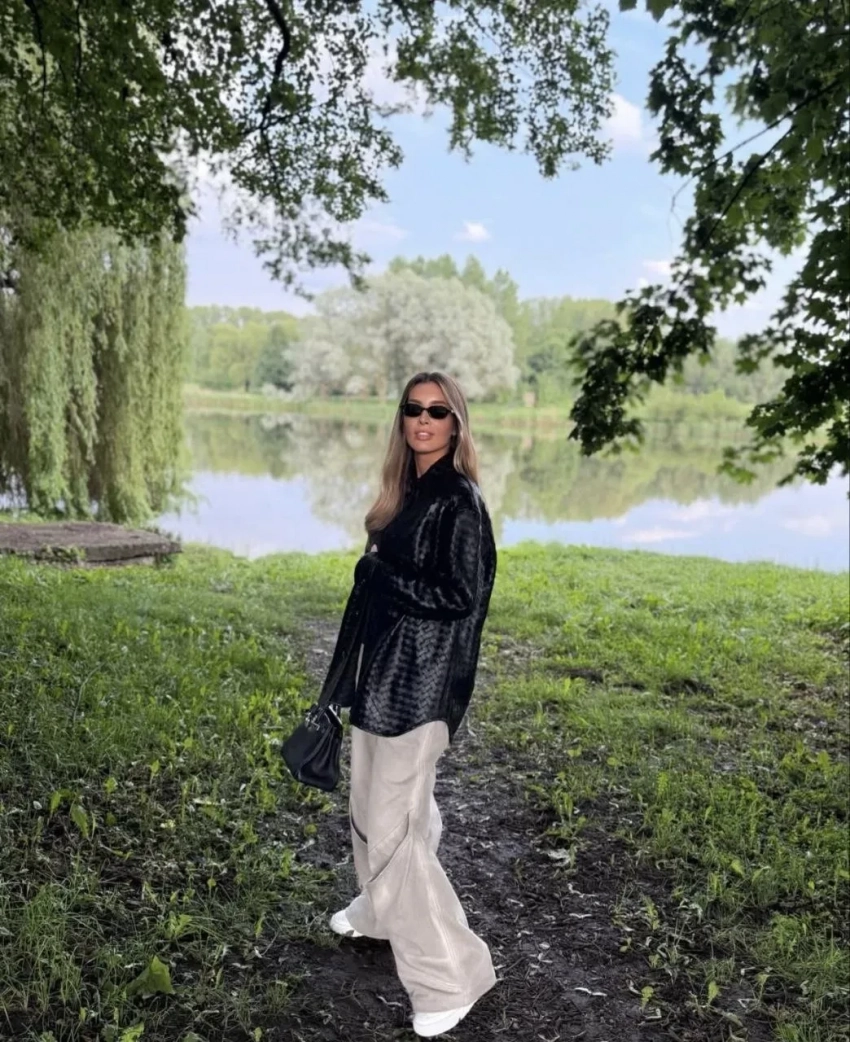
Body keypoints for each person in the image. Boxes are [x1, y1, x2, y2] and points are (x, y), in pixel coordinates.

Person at [318, 371, 498, 1038]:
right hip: (384, 678)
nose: (423, 420)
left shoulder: (458, 501)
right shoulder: (411, 490)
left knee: (391, 827)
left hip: (419, 689)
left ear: (456, 423)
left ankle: (452, 977)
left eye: (438, 411)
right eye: (413, 409)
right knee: (377, 809)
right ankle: (379, 911)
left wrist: (380, 573)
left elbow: (460, 598)